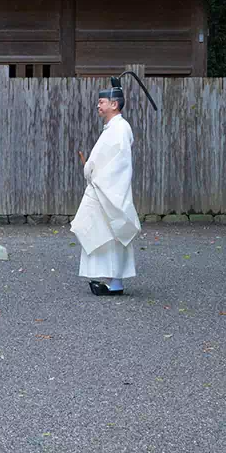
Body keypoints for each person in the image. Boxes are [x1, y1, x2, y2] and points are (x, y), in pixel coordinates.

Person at [70, 72, 157, 296]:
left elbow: (119, 164)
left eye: (101, 102)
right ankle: (112, 281)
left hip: (109, 191)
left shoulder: (120, 128)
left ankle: (115, 282)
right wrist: (90, 167)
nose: (98, 105)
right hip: (102, 190)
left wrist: (94, 173)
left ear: (114, 104)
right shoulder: (113, 128)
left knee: (113, 232)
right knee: (100, 231)